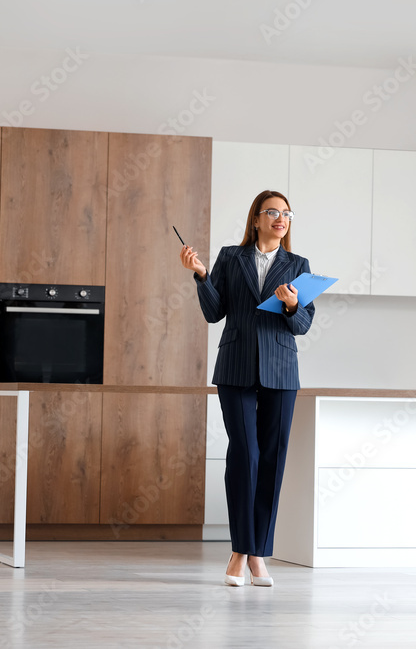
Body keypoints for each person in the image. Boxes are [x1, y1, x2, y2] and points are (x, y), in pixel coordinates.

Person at [179, 190, 314, 587]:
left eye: (286, 213)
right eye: (272, 211)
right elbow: (213, 312)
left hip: (280, 369)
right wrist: (202, 275)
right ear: (256, 219)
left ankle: (257, 555)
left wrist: (291, 306)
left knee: (272, 460)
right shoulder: (230, 257)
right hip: (236, 366)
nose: (280, 218)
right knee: (245, 454)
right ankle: (240, 550)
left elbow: (303, 324)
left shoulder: (298, 265)